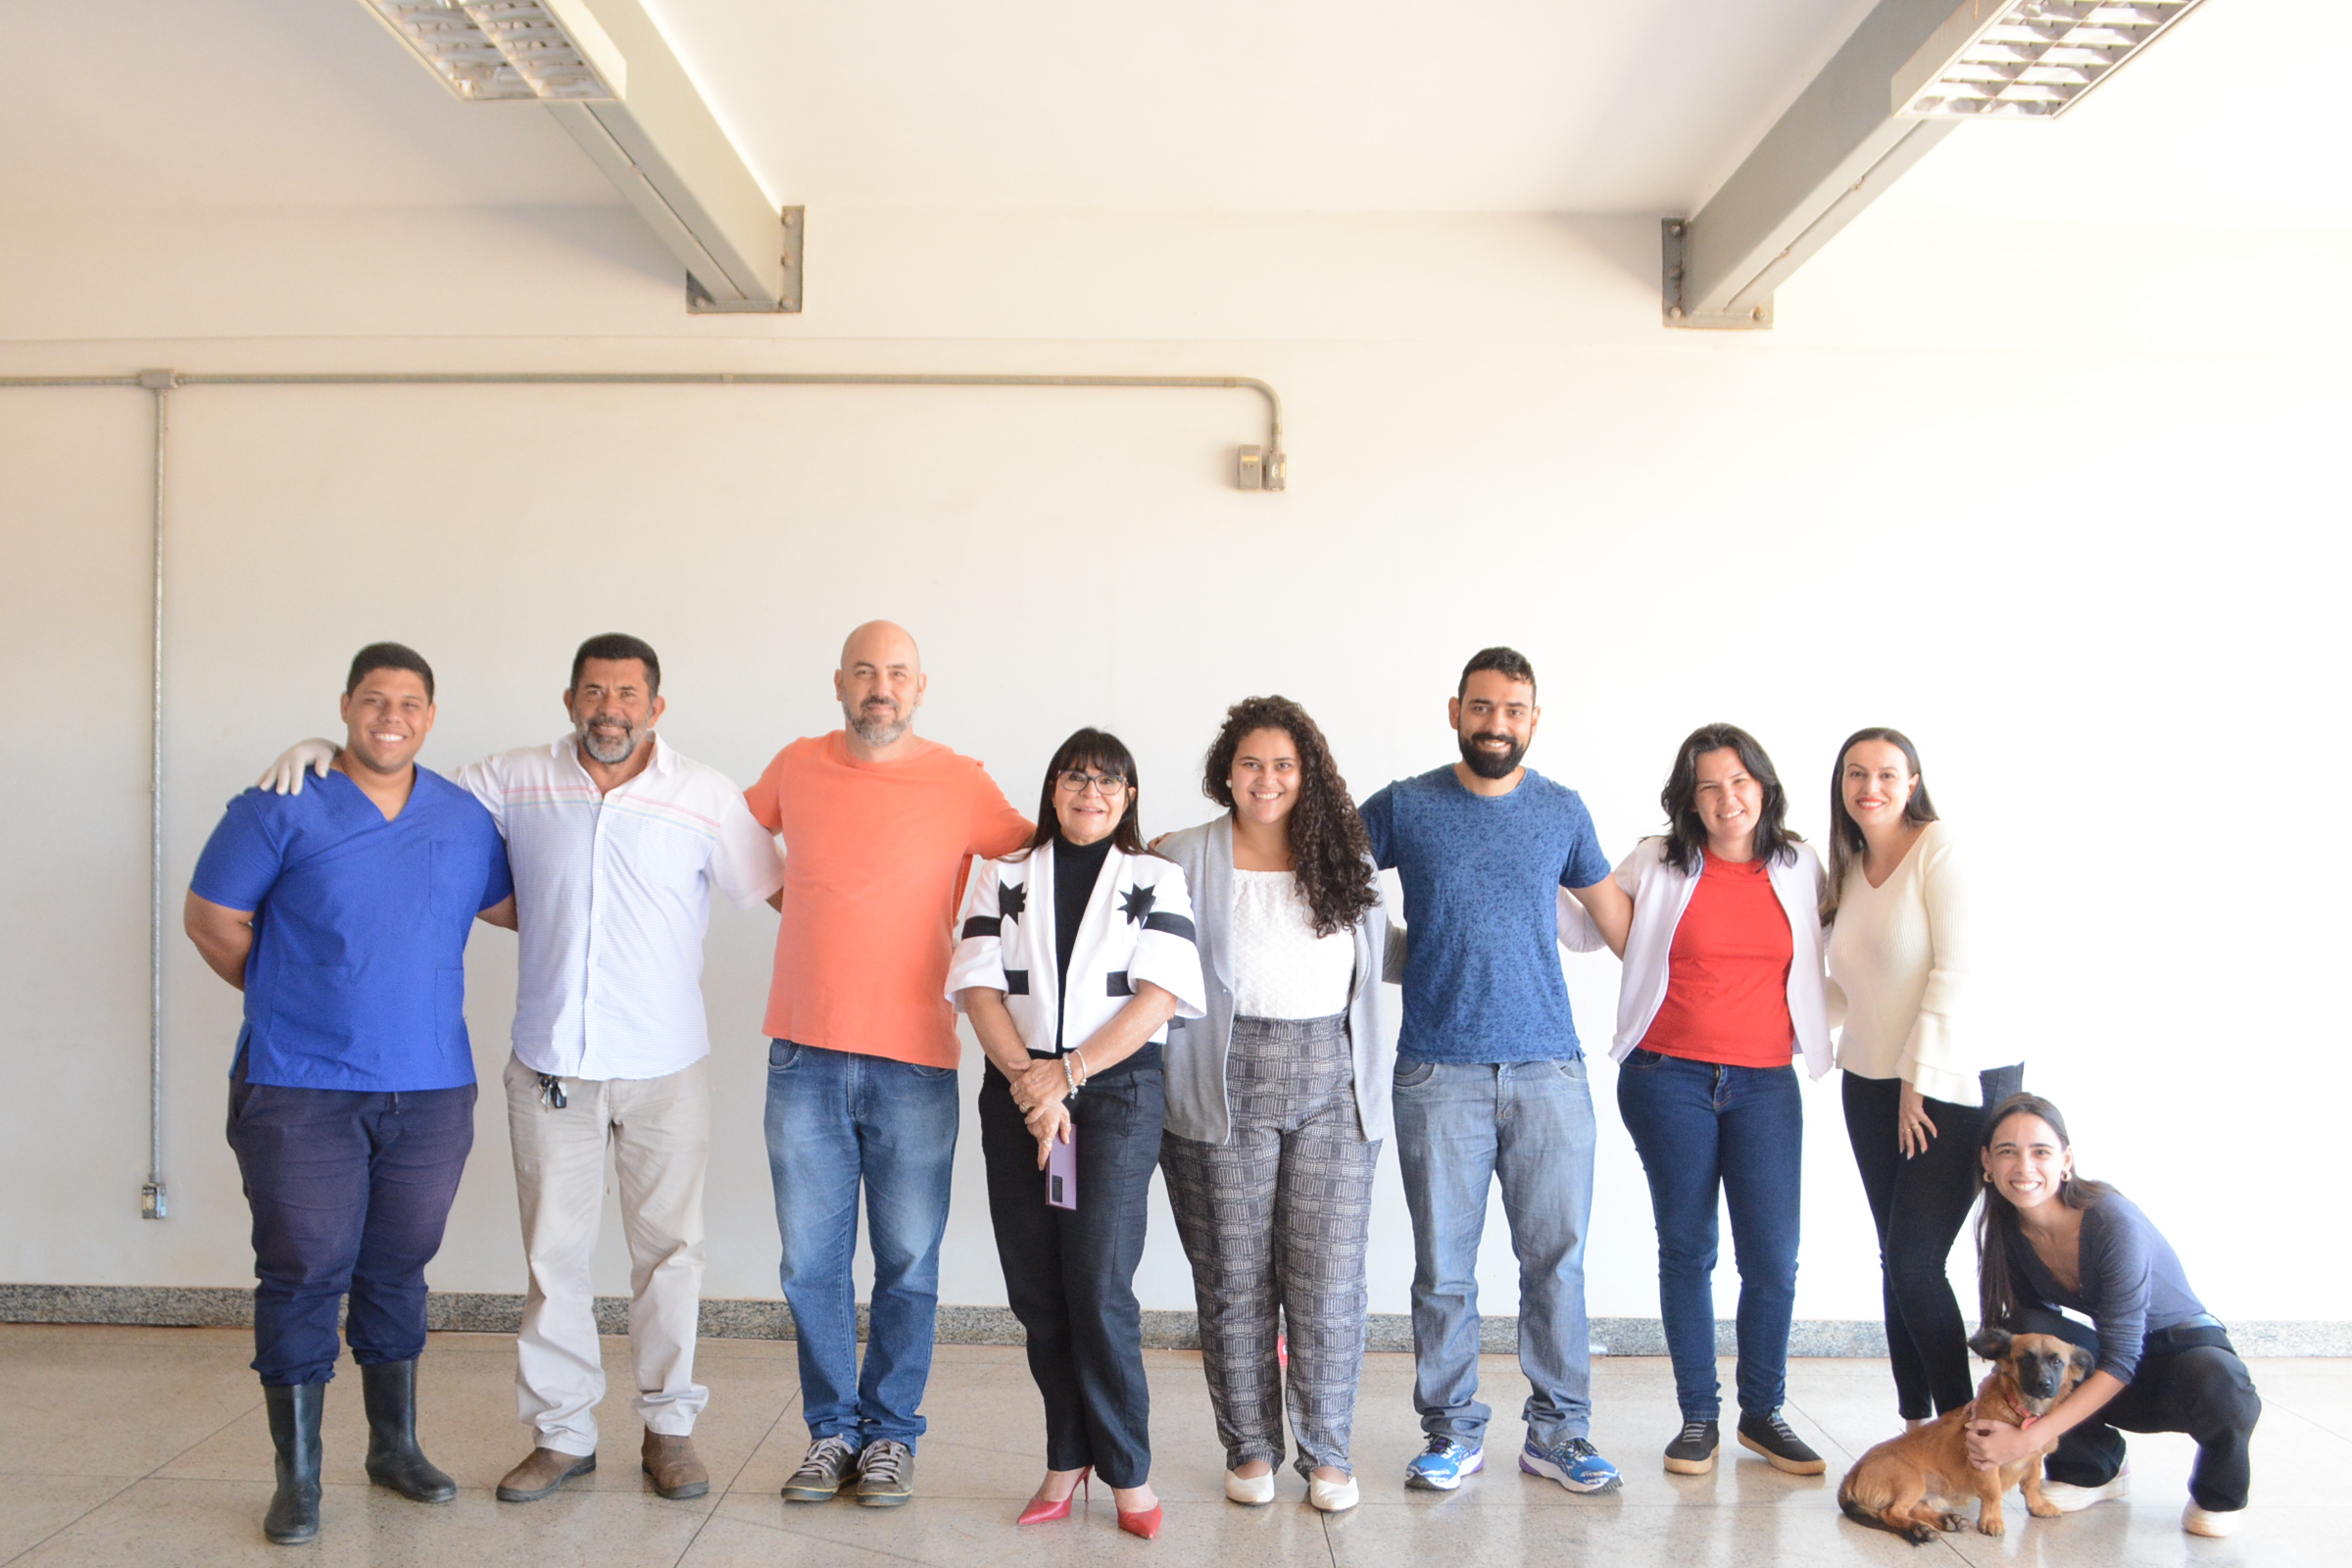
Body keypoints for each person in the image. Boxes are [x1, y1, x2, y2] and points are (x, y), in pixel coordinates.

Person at [256, 633, 786, 1503]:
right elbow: (399, 784)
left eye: (627, 694)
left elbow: (778, 890)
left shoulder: (704, 795)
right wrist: (324, 752)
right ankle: (563, 1434)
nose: (609, 709)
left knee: (671, 1256)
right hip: (550, 1066)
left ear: (656, 706)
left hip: (666, 1067)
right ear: (570, 700)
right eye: (593, 692)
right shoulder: (509, 779)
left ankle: (669, 1430)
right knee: (553, 1259)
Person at [184, 644, 514, 1546]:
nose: (390, 716)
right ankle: (297, 1479)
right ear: (345, 707)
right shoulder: (279, 804)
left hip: (431, 1089)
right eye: (374, 699)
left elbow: (517, 906)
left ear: (431, 716)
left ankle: (393, 1448)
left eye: (409, 702)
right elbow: (211, 920)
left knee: (399, 1266)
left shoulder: (462, 818)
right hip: (301, 1087)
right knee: (303, 1268)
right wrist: (290, 996)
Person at [747, 621, 1032, 1508]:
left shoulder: (960, 780)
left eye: (898, 673)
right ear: (839, 682)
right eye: (865, 671)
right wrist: (797, 898)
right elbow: (717, 834)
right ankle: (831, 1432)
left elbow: (1053, 856)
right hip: (804, 1052)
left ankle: (890, 1436)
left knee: (907, 1260)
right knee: (809, 1262)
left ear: (920, 687)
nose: (881, 687)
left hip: (915, 1059)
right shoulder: (795, 766)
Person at [1357, 646, 1633, 1495]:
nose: (1496, 724)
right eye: (1481, 708)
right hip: (1437, 1073)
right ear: (1455, 712)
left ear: (1534, 720)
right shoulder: (1406, 806)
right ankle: (1452, 1432)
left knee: (1558, 1265)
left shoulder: (1562, 810)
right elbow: (1320, 872)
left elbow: (1627, 928)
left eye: (1513, 710)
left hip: (1550, 1070)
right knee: (1444, 1270)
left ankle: (1559, 1435)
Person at [949, 728, 1207, 1539]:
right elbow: (978, 989)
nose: (1090, 792)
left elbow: (1159, 996)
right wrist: (1034, 1084)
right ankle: (1066, 1457)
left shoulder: (1156, 877)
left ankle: (1128, 1470)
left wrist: (1068, 1074)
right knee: (1037, 1288)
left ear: (1129, 797)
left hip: (1117, 1093)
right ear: (1052, 789)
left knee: (1097, 1284)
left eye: (1107, 781)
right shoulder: (1002, 873)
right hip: (1017, 1093)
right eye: (1074, 777)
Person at [1156, 697, 1400, 1514]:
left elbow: (1385, 956)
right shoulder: (1183, 857)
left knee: (1329, 1279)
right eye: (1252, 764)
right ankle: (1251, 1448)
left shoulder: (1345, 858)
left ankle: (1327, 1454)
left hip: (1335, 1083)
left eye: (1284, 765)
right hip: (1220, 1083)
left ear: (1308, 774)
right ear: (1226, 772)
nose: (1267, 780)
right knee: (1234, 1278)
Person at [1592, 724, 1831, 1477]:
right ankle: (1699, 1417)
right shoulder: (1659, 860)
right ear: (1689, 800)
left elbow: (1840, 942)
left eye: (1740, 782)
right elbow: (1587, 920)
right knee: (1689, 1249)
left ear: (1763, 786)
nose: (1728, 799)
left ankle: (1764, 1414)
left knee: (1774, 1259)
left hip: (1765, 1082)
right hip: (1668, 1078)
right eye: (1709, 787)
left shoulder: (1800, 865)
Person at [1824, 728, 2023, 1430]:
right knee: (1896, 1258)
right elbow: (1851, 986)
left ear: (1912, 782)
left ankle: (1966, 1431)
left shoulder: (1942, 849)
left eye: (1887, 773)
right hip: (1871, 1075)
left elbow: (1958, 970)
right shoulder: (1848, 868)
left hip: (1955, 1075)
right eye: (1856, 773)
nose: (1870, 787)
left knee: (1915, 1262)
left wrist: (1921, 1077)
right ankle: (1916, 1426)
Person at [1964, 1094, 2261, 1540]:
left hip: (2183, 1360)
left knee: (2220, 1380)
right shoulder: (2010, 1229)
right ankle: (2094, 1466)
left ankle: (2218, 1494)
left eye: (2040, 1151)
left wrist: (2026, 1440)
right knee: (2028, 1330)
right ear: (1988, 1161)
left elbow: (2122, 1358)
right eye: (2008, 1151)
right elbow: (2039, 1336)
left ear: (2066, 1160)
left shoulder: (2111, 1220)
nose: (2024, 1166)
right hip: (2119, 1364)